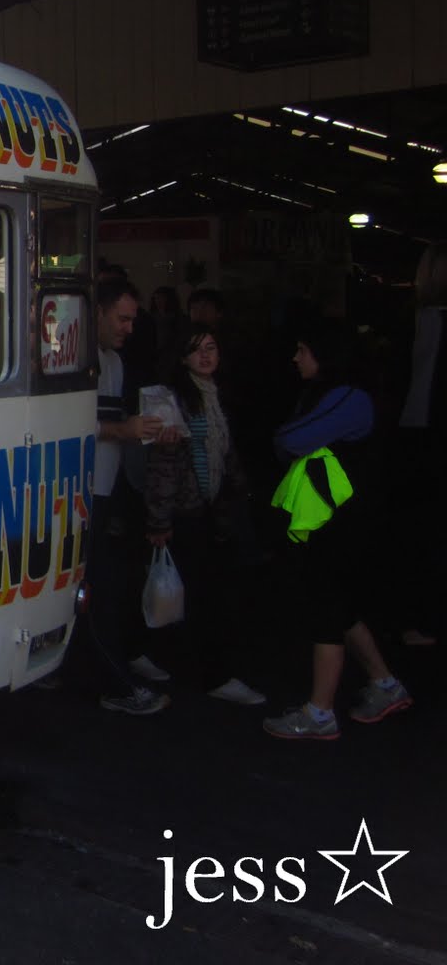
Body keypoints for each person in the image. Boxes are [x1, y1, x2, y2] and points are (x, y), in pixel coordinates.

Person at [263, 320, 411, 740]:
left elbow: (290, 439)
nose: (295, 358)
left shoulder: (349, 398)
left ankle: (320, 713)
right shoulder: (353, 396)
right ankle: (385, 684)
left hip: (340, 523)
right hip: (350, 520)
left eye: (302, 349)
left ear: (325, 355)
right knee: (343, 609)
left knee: (326, 610)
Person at [143, 323, 267, 706]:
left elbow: (227, 454)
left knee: (208, 592)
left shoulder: (218, 396)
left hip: (214, 508)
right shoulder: (173, 399)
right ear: (182, 357)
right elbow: (164, 465)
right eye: (197, 349)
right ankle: (211, 672)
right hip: (187, 511)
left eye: (211, 347)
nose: (206, 355)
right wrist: (159, 520)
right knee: (199, 594)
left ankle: (183, 661)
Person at [85, 278, 170, 716]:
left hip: (106, 490)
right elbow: (69, 424)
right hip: (76, 493)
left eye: (133, 320)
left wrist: (149, 430)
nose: (128, 327)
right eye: (122, 318)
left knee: (98, 584)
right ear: (97, 312)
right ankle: (116, 681)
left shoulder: (114, 363)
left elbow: (110, 423)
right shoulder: (76, 361)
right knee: (96, 587)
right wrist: (124, 430)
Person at [394, 242, 445, 647]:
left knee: (425, 530)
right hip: (426, 432)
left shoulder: (422, 320)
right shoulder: (425, 320)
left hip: (422, 434)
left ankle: (425, 619)